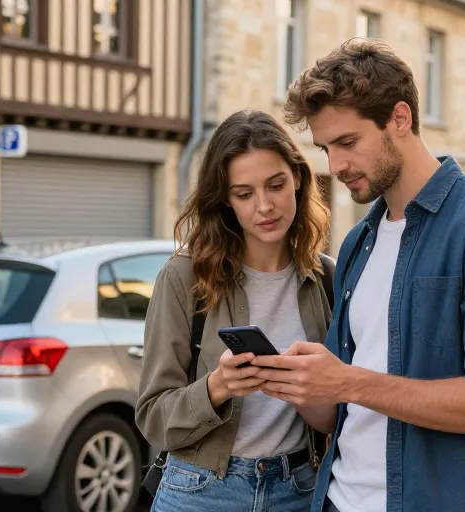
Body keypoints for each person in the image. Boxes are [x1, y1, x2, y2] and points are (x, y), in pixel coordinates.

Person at [249, 38, 465, 512]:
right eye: (326, 147)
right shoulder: (357, 243)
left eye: (348, 142)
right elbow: (336, 417)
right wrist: (294, 381)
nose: (335, 166)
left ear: (400, 119)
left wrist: (348, 380)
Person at [135, 109, 336, 511]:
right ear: (226, 201)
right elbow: (153, 416)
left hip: (298, 490)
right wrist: (218, 387)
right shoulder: (184, 276)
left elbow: (335, 419)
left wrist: (300, 388)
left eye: (275, 185)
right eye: (244, 194)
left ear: (297, 178)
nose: (265, 206)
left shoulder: (327, 278)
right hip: (200, 492)